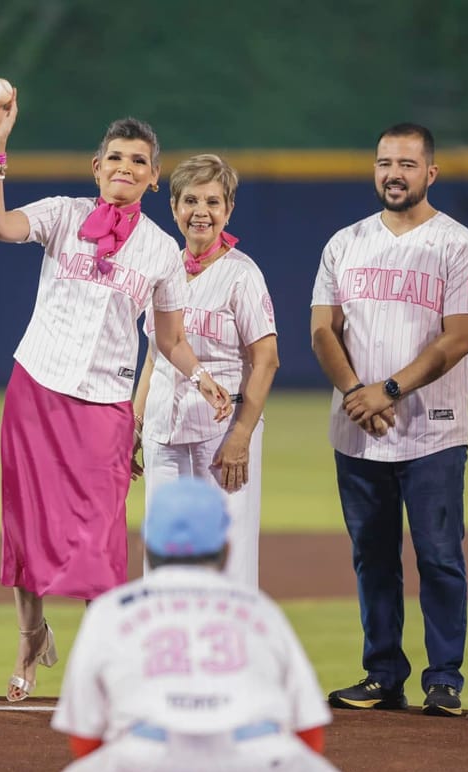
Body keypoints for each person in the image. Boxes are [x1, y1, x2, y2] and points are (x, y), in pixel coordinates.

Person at [0, 82, 233, 703]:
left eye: (139, 161)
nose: (125, 167)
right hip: (35, 389)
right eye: (116, 157)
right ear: (97, 168)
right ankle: (29, 639)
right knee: (28, 526)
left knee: (101, 538)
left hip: (105, 403)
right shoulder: (64, 214)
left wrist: (202, 378)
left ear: (154, 177)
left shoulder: (162, 252)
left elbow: (169, 338)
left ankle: (96, 666)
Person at [309, 123, 468, 717]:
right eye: (385, 162)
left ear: (430, 173)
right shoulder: (344, 243)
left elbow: (460, 337)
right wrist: (355, 393)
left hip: (431, 429)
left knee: (439, 556)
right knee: (373, 557)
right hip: (357, 432)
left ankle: (444, 680)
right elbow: (321, 330)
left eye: (408, 164)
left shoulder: (459, 244)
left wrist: (385, 390)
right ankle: (383, 673)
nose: (395, 173)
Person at [45, 477, 355, 772]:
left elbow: (85, 739)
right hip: (256, 760)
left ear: (145, 546)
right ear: (226, 548)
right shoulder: (261, 609)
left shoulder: (110, 611)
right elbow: (309, 733)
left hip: (148, 761)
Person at [132, 154, 279, 587]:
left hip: (222, 435)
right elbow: (155, 356)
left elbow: (266, 359)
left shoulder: (242, 275)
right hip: (164, 428)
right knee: (162, 558)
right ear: (174, 206)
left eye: (213, 202)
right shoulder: (162, 268)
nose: (201, 212)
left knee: (229, 561)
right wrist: (135, 425)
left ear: (228, 211)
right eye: (191, 200)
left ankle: (232, 652)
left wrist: (241, 435)